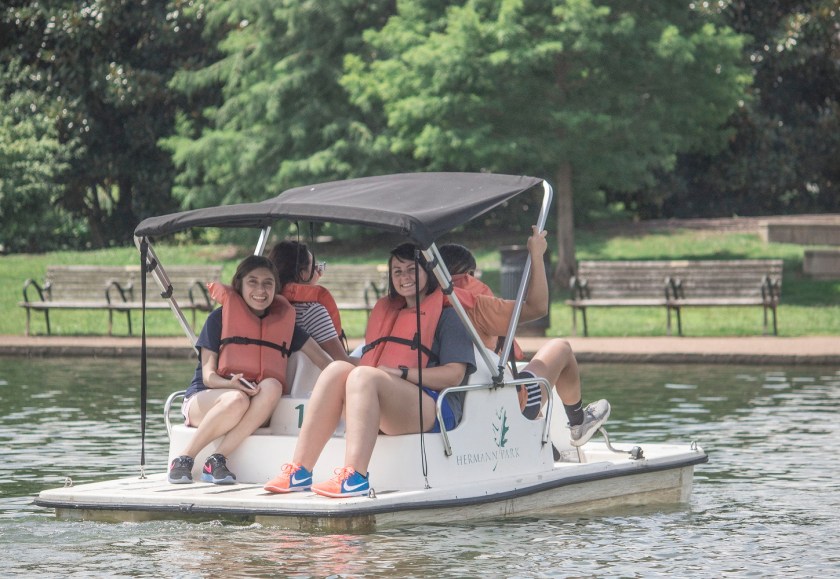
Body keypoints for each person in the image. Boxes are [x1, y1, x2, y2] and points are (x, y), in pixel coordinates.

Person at [263, 243, 476, 498]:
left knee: (364, 376)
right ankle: (299, 471)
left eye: (411, 269)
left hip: (434, 407)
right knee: (336, 369)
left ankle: (355, 476)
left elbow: (454, 374)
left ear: (428, 272)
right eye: (397, 271)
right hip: (387, 398)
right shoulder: (388, 311)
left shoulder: (449, 316)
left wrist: (403, 373)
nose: (404, 277)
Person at [438, 226, 610, 447]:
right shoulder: (475, 306)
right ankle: (579, 423)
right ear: (469, 275)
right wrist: (536, 255)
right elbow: (538, 307)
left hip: (454, 404)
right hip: (504, 404)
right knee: (561, 348)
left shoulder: (423, 307)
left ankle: (545, 442)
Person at [168, 255, 332, 485]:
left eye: (268, 283)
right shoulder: (218, 319)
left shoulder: (286, 325)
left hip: (252, 406)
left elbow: (326, 362)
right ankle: (184, 458)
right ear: (239, 284)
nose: (260, 290)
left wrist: (350, 382)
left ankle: (217, 459)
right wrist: (230, 384)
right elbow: (209, 376)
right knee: (236, 399)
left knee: (273, 385)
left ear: (276, 288)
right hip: (206, 399)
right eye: (252, 282)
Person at [267, 240, 354, 364]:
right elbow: (343, 362)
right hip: (315, 381)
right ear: (303, 275)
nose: (319, 273)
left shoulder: (270, 308)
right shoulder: (311, 311)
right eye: (315, 268)